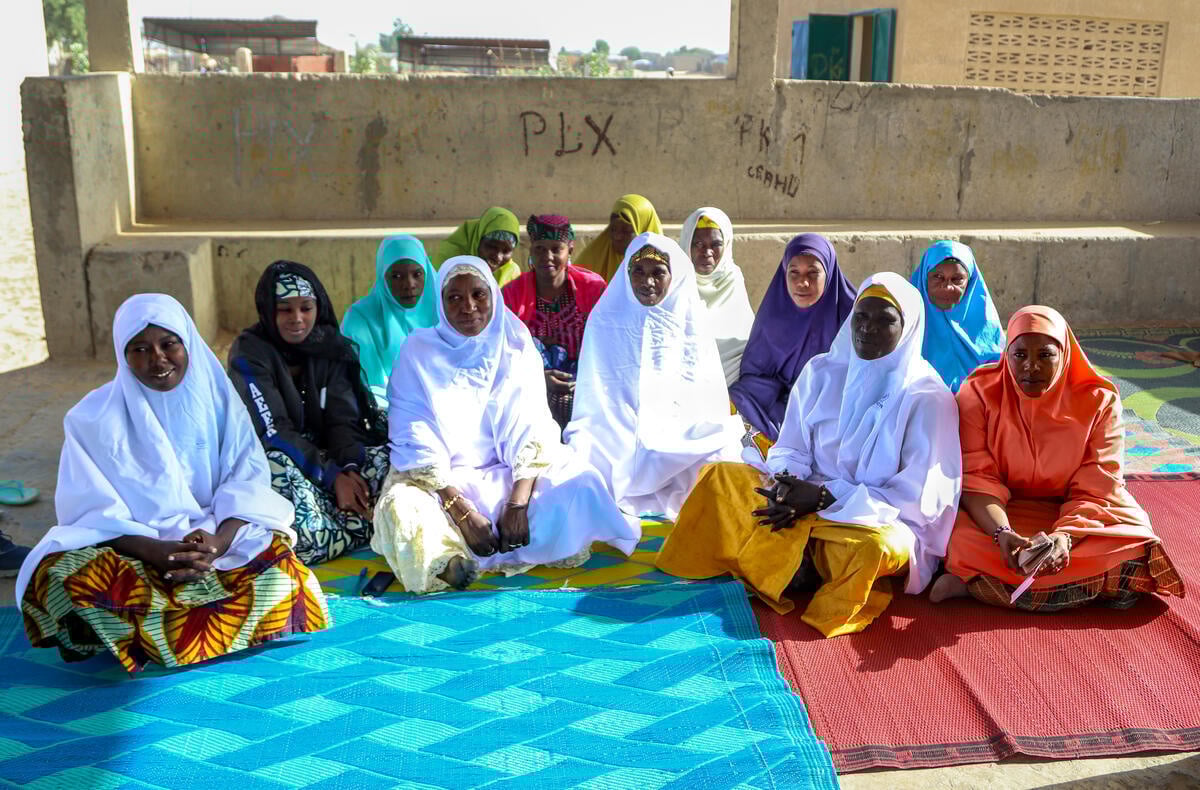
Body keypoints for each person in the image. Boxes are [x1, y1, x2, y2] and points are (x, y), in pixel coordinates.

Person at [17, 294, 328, 673]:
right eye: (140, 349)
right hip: (136, 549)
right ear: (122, 354)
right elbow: (90, 515)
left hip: (215, 539)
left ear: (188, 343)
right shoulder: (89, 420)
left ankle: (150, 636)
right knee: (61, 575)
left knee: (282, 569)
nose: (158, 359)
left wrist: (218, 542)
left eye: (169, 344)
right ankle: (198, 630)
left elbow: (246, 480)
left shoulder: (218, 400)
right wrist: (155, 550)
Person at [657, 273, 962, 638]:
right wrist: (786, 484)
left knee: (874, 549)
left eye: (885, 320)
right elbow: (791, 445)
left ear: (908, 328)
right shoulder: (822, 371)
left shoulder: (927, 398)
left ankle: (791, 556)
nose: (867, 329)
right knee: (720, 476)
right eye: (861, 317)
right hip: (803, 495)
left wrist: (821, 499)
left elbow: (918, 500)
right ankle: (802, 558)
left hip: (871, 518)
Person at [371, 256, 641, 593]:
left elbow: (531, 426)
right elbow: (415, 436)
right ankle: (447, 562)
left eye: (479, 295)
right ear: (439, 302)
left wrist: (517, 505)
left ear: (493, 297)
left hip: (512, 475)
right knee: (401, 506)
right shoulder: (418, 351)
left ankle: (486, 543)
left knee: (581, 482)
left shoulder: (513, 341)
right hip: (443, 482)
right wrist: (461, 511)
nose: (468, 307)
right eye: (454, 297)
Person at [931, 306, 1184, 610]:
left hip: (1079, 515)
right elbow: (977, 479)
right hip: (1001, 514)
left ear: (1063, 354)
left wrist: (1064, 538)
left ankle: (977, 583)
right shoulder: (978, 392)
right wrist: (1003, 534)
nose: (1031, 368)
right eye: (1020, 355)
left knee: (1132, 541)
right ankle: (1087, 586)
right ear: (1006, 353)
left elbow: (1099, 485)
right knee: (951, 535)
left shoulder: (1099, 401)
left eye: (1045, 356)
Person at [565, 232, 744, 520]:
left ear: (674, 275)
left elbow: (704, 394)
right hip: (614, 431)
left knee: (721, 452)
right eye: (638, 271)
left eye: (658, 273)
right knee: (579, 460)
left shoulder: (690, 317)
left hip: (676, 432)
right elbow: (594, 393)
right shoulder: (605, 319)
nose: (647, 282)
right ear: (627, 273)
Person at [229, 261, 389, 566]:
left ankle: (347, 522)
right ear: (268, 310)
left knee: (391, 462)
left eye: (306, 307)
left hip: (330, 458)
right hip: (282, 458)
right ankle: (363, 526)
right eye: (285, 309)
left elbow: (343, 419)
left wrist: (350, 469)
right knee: (277, 474)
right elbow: (273, 430)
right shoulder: (249, 353)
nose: (297, 319)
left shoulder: (331, 347)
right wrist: (331, 476)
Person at [729, 233, 855, 443]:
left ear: (829, 273)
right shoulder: (774, 314)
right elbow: (755, 375)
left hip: (829, 408)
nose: (802, 283)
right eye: (794, 272)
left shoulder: (852, 317)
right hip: (778, 406)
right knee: (735, 399)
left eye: (813, 273)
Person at [502, 214, 606, 429]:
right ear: (530, 251)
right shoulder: (512, 295)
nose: (547, 256)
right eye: (539, 248)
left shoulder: (593, 288)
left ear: (570, 250)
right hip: (529, 387)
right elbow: (502, 353)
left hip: (587, 384)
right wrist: (538, 378)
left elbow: (609, 344)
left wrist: (586, 379)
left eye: (556, 249)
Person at [341, 234, 438, 408]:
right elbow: (358, 384)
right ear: (382, 277)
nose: (409, 284)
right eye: (396, 276)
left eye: (417, 274)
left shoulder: (445, 312)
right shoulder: (359, 319)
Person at [910, 240, 1005, 393]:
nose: (947, 287)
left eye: (957, 279)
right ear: (924, 278)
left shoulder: (985, 327)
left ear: (970, 281)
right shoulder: (906, 325)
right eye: (938, 277)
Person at [680, 207, 755, 387]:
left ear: (727, 244)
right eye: (698, 244)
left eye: (715, 244)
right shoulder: (676, 283)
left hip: (734, 394)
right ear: (686, 244)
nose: (707, 252)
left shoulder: (733, 279)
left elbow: (745, 344)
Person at [574, 194, 663, 281]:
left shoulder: (663, 266)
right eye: (613, 229)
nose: (617, 236)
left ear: (643, 231)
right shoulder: (593, 258)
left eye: (626, 231)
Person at [433, 206, 522, 288]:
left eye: (506, 251)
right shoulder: (449, 261)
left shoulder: (511, 272)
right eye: (492, 246)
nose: (498, 257)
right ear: (478, 239)